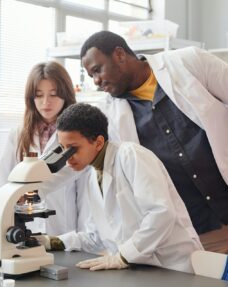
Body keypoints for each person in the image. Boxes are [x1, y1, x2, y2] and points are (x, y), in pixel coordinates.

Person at [79, 31, 228, 241]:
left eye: (97, 70)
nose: (96, 81)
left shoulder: (190, 61)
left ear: (119, 54)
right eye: (92, 76)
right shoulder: (110, 117)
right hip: (195, 231)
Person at [36, 103, 203, 273]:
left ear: (99, 142)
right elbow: (97, 237)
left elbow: (161, 214)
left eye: (73, 149)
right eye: (63, 149)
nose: (67, 158)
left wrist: (123, 256)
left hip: (174, 266)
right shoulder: (93, 176)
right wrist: (52, 242)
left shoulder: (131, 156)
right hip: (142, 271)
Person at [0, 61, 90, 236]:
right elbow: (6, 182)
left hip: (65, 232)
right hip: (24, 231)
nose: (45, 102)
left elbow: (85, 193)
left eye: (53, 95)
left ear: (66, 95)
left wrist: (83, 236)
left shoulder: (78, 137)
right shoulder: (18, 134)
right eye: (39, 95)